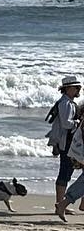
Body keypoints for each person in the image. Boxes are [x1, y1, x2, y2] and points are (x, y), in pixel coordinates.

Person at [49, 74, 82, 216]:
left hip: (68, 142)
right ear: (68, 89)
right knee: (65, 172)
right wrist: (78, 122)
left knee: (67, 172)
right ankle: (60, 203)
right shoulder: (65, 103)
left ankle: (62, 203)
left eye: (78, 87)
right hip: (66, 143)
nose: (78, 90)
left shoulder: (67, 102)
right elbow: (66, 123)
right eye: (75, 88)